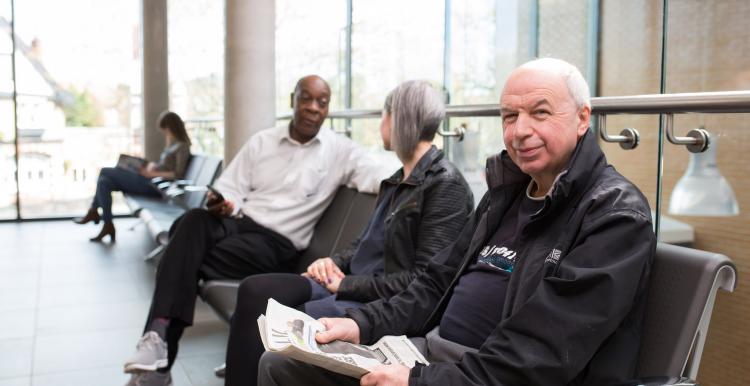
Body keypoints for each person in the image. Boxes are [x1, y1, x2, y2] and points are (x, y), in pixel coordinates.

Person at [257, 58, 656, 386]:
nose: (520, 131)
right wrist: (361, 324)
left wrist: (420, 382)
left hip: (487, 376)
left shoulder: (614, 214)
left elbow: (540, 355)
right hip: (430, 354)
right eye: (509, 116)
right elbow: (434, 282)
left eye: (540, 113)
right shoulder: (507, 196)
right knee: (281, 364)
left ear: (583, 118)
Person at [122, 75, 388, 386]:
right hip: (238, 223)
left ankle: (159, 351)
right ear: (293, 100)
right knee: (193, 220)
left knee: (181, 255)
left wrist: (417, 174)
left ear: (328, 108)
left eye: (322, 102)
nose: (313, 108)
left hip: (276, 246)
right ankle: (158, 342)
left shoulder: (341, 151)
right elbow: (228, 187)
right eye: (306, 98)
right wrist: (222, 203)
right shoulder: (263, 141)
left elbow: (376, 175)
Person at [223, 80, 474, 386]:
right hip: (345, 286)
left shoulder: (445, 186)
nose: (382, 123)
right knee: (254, 290)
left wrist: (348, 283)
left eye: (385, 115)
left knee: (276, 324)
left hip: (369, 300)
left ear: (398, 120)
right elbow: (364, 243)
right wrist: (333, 262)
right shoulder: (397, 180)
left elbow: (422, 281)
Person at [73, 111, 191, 242]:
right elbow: (167, 167)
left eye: (166, 130)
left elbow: (177, 174)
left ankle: (95, 213)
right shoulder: (172, 145)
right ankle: (107, 224)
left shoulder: (182, 146)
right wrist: (152, 165)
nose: (165, 134)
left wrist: (151, 173)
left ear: (171, 127)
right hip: (150, 179)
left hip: (155, 186)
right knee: (104, 182)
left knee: (105, 172)